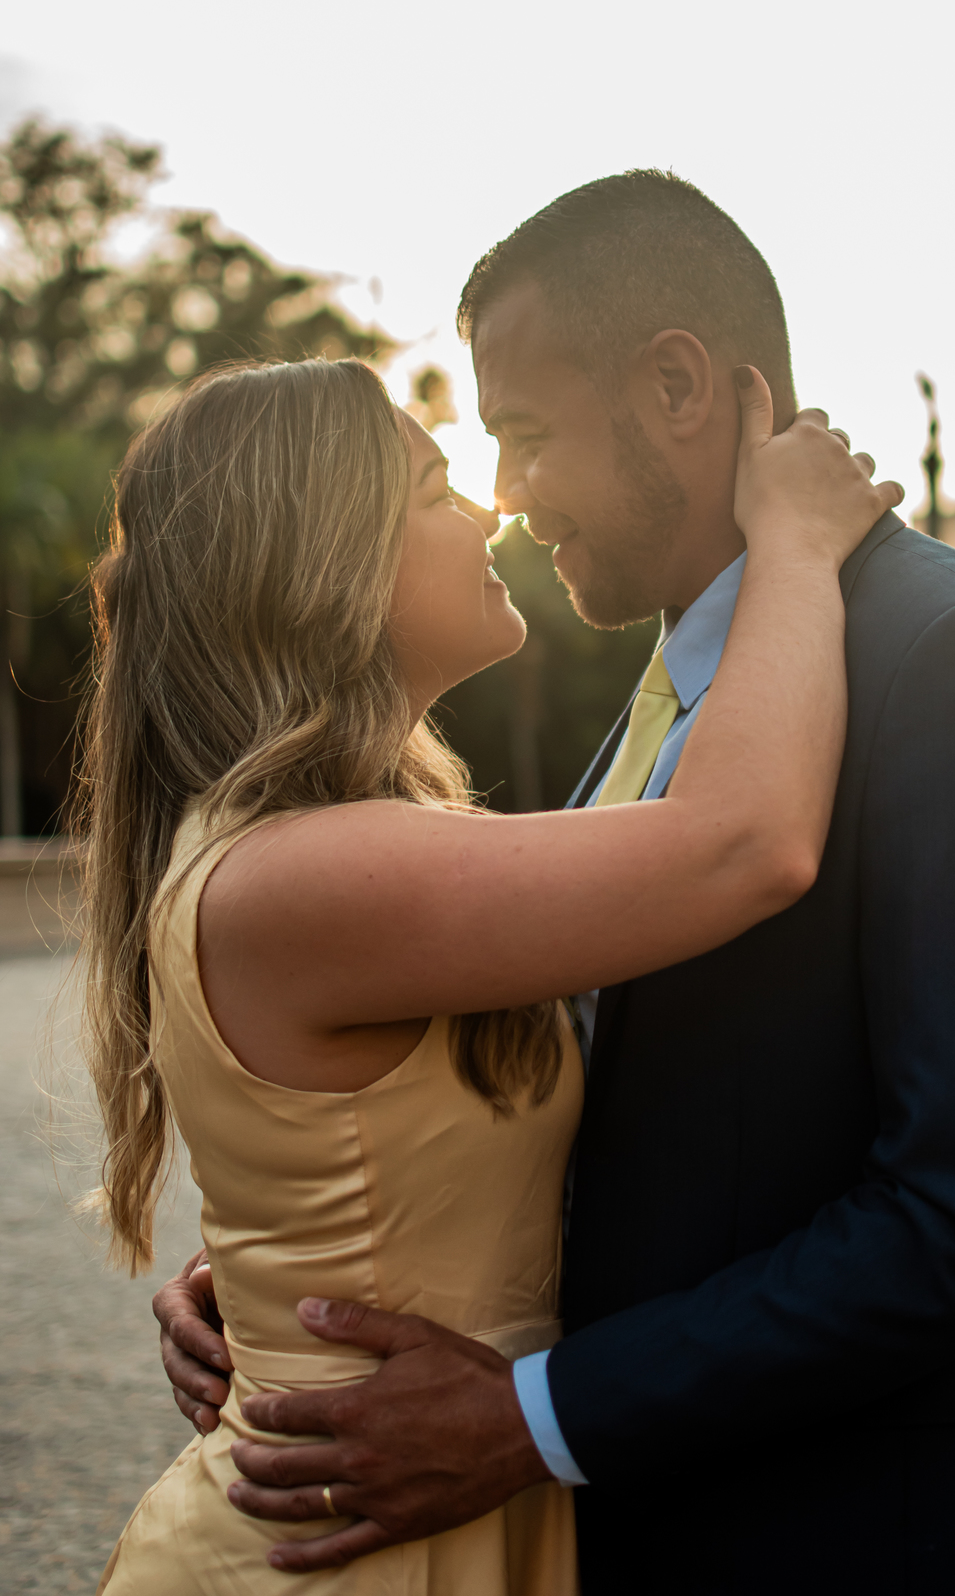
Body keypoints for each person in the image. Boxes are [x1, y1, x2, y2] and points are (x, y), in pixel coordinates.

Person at [157, 173, 955, 1595]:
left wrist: (539, 1418)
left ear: (677, 386)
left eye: (524, 434)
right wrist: (294, 1279)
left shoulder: (954, 663)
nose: (504, 495)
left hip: (859, 1541)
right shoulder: (679, 689)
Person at [80, 348, 894, 1594]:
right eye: (434, 490)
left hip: (417, 1512)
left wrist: (260, 1280)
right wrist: (794, 537)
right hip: (333, 1555)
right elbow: (748, 844)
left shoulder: (314, 853)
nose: (491, 508)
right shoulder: (303, 874)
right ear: (323, 566)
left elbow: (376, 1157)